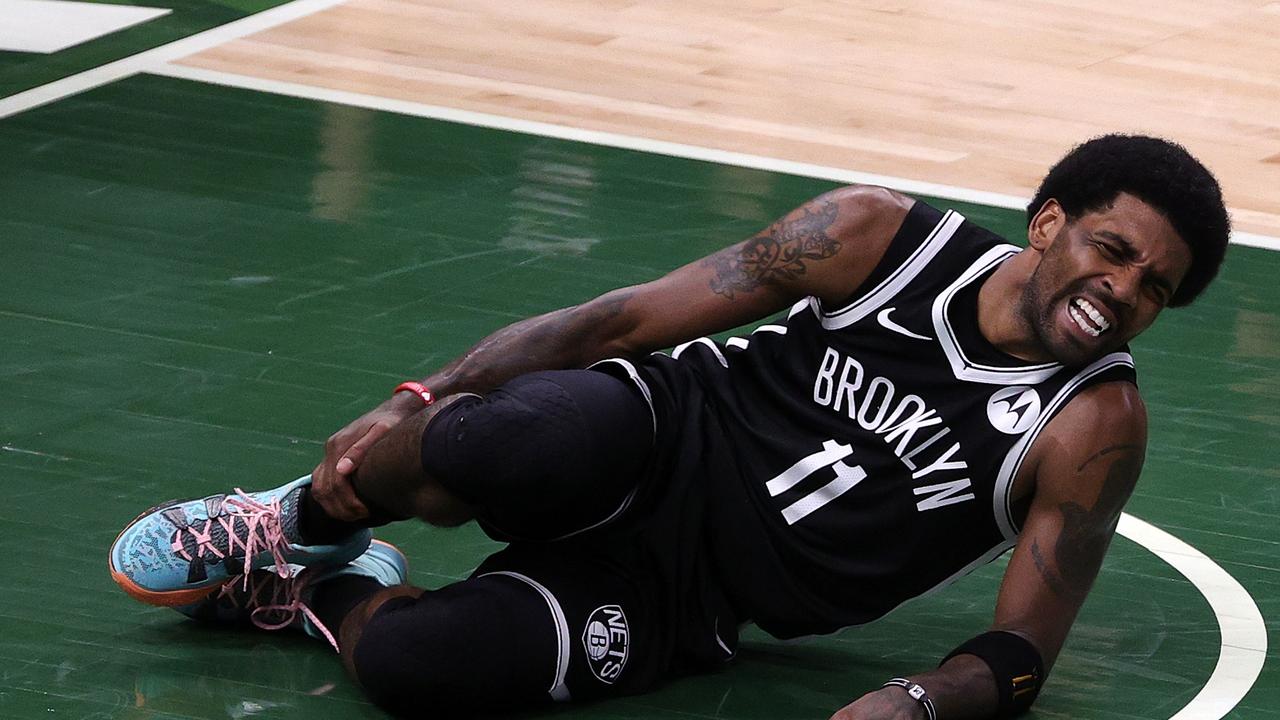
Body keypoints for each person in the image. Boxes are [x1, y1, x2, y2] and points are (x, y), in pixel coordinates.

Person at [109, 134, 1230, 719]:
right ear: (1047, 223)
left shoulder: (1093, 428)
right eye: (1111, 250)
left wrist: (921, 700)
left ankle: (316, 590)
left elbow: (1023, 650)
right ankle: (289, 520)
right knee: (483, 438)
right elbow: (620, 318)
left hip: (687, 599)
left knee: (416, 670)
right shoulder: (876, 237)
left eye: (1153, 289)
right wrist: (416, 399)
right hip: (657, 427)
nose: (1122, 291)